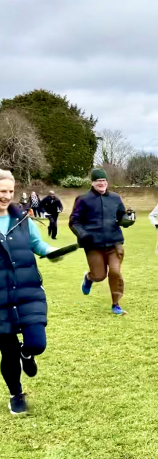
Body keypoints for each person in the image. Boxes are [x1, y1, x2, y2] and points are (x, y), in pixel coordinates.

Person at [0, 169, 62, 414]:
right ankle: (16, 393)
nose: (6, 196)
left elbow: (37, 244)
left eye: (10, 191)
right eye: (1, 191)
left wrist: (51, 251)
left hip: (28, 291)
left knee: (37, 343)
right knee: (8, 350)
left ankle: (28, 354)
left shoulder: (23, 218)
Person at [69, 168, 135, 315]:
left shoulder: (115, 198)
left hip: (114, 242)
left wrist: (127, 220)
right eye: (98, 181)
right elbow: (74, 221)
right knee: (99, 275)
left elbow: (121, 215)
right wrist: (82, 234)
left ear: (107, 182)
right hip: (93, 245)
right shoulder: (83, 200)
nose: (101, 183)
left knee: (115, 272)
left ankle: (116, 304)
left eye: (104, 181)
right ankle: (89, 278)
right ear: (92, 183)